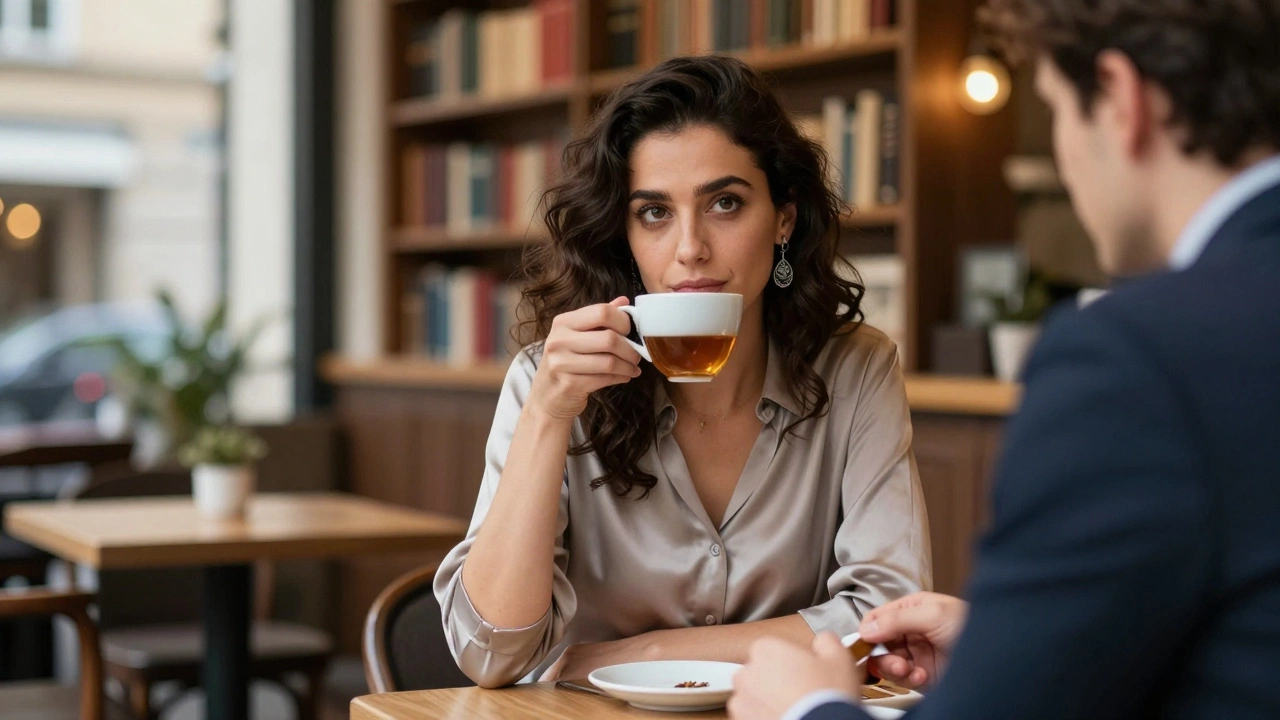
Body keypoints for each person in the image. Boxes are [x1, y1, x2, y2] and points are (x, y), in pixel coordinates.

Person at [729, 0, 1280, 718]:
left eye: (1054, 110)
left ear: (1119, 98)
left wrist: (806, 711)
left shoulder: (1135, 356)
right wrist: (1015, 648)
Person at [432, 55, 932, 688]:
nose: (690, 246)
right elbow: (492, 655)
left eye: (725, 203)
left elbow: (887, 621)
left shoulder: (858, 370)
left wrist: (636, 656)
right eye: (654, 212)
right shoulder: (550, 380)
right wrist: (548, 413)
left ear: (784, 217)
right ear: (625, 235)